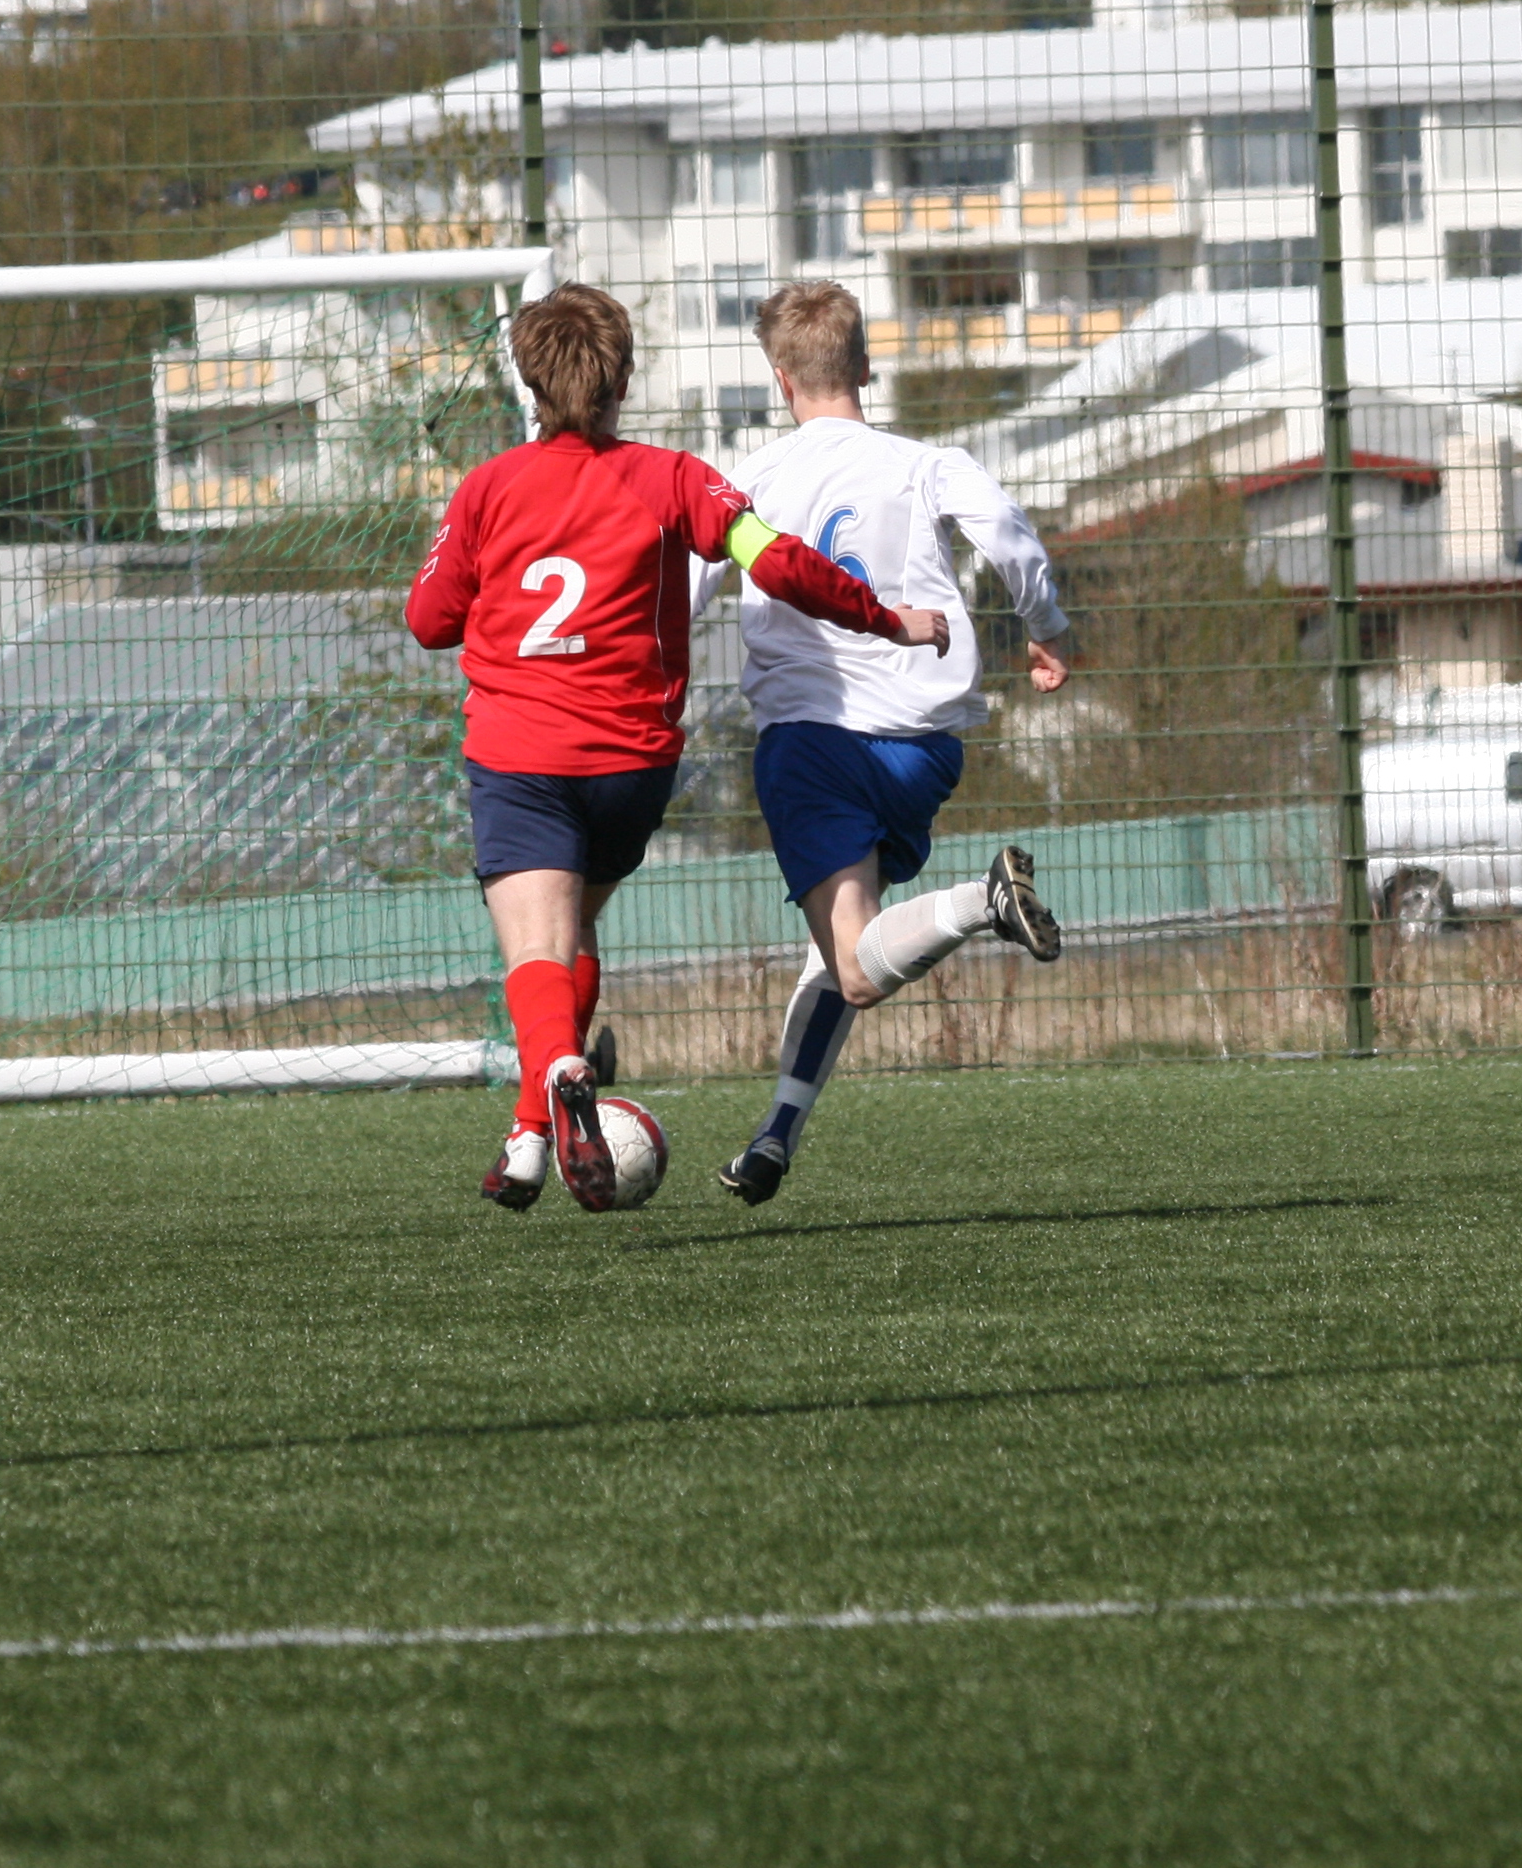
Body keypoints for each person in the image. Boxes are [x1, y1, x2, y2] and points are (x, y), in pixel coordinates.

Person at [405, 281, 944, 1213]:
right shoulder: (674, 477)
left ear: (532, 385)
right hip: (630, 764)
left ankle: (553, 1082)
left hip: (521, 756)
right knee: (576, 932)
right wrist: (885, 618)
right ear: (621, 382)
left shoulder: (487, 487)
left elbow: (428, 620)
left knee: (538, 947)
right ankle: (527, 1140)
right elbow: (778, 560)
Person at [707, 279, 1077, 1206]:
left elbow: (678, 587)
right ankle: (776, 1135)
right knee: (842, 948)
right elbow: (1008, 535)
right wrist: (1045, 627)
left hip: (814, 744)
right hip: (924, 750)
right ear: (865, 368)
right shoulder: (926, 462)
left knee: (855, 963)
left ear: (781, 380)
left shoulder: (751, 479)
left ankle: (984, 901)